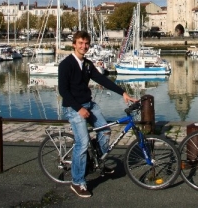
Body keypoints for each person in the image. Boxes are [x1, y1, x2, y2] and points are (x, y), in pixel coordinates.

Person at [58, 30, 138, 198]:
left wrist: (122, 92)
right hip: (74, 108)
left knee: (106, 130)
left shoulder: (87, 64)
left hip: (89, 104)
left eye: (86, 43)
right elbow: (63, 91)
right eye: (80, 43)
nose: (83, 46)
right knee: (83, 142)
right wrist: (79, 109)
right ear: (74, 44)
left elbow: (102, 80)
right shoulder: (66, 64)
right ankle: (77, 182)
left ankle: (97, 162)